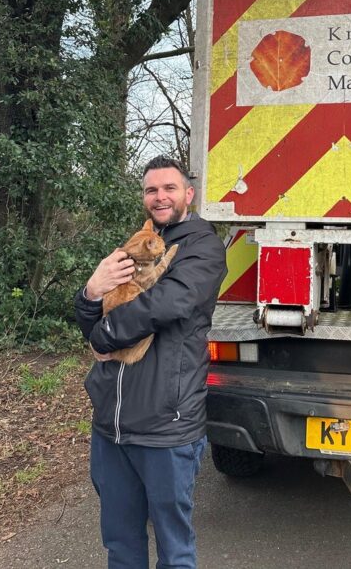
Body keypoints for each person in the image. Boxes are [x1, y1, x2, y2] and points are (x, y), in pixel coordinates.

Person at [74, 156, 227, 569]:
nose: (160, 197)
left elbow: (166, 304)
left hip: (166, 426)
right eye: (151, 190)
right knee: (121, 545)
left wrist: (102, 335)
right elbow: (99, 310)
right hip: (112, 426)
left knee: (174, 551)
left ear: (188, 194)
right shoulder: (138, 241)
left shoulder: (202, 247)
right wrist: (90, 291)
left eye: (169, 188)